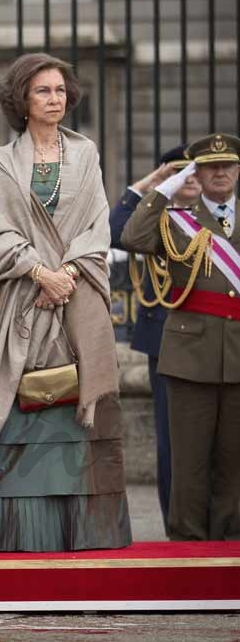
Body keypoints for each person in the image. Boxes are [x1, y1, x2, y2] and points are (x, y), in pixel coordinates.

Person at [0, 53, 131, 552]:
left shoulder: (86, 153)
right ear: (21, 100)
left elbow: (98, 222)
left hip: (78, 296)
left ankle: (85, 532)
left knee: (81, 410)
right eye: (43, 91)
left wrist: (68, 273)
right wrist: (38, 272)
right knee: (19, 410)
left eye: (60, 90)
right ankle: (17, 534)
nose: (54, 99)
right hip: (20, 296)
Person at [121, 133, 240, 541]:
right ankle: (187, 543)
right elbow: (132, 238)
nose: (220, 172)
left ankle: (230, 543)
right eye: (210, 166)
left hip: (238, 352)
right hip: (191, 353)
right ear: (197, 173)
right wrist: (161, 191)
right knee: (188, 460)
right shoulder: (177, 221)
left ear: (238, 170)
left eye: (227, 165)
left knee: (233, 459)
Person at [109, 145, 200, 529]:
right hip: (166, 335)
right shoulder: (155, 217)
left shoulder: (220, 217)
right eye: (183, 170)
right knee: (171, 439)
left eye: (199, 169)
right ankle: (175, 522)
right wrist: (152, 184)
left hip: (216, 336)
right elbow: (114, 232)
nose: (192, 177)